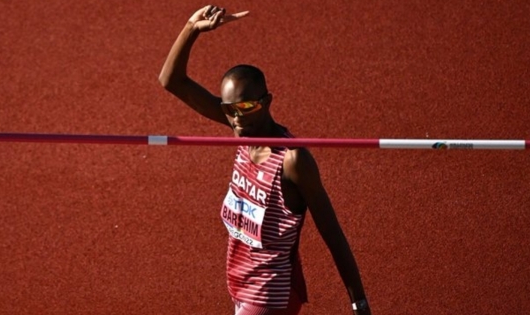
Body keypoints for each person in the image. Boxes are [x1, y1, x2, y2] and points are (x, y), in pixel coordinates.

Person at [158, 5, 372, 315]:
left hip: (269, 291)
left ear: (266, 102)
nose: (237, 118)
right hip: (239, 281)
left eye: (246, 107)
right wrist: (191, 28)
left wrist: (359, 304)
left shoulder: (293, 160)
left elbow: (333, 234)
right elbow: (171, 81)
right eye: (230, 109)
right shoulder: (241, 130)